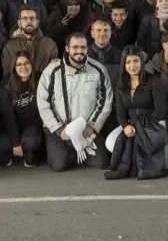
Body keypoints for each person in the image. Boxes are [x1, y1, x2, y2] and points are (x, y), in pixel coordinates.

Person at [36, 32, 114, 172]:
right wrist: (59, 129)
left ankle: (77, 148)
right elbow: (43, 103)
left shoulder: (98, 70)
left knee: (102, 162)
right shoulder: (51, 71)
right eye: (75, 47)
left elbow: (105, 102)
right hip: (59, 129)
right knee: (59, 165)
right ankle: (69, 150)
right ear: (67, 49)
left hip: (86, 129)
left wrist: (92, 125)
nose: (79, 51)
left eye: (83, 47)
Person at [103, 47, 168, 180]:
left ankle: (132, 168)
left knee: (139, 139)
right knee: (111, 142)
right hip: (131, 124)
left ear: (142, 62)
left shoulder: (153, 80)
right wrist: (126, 125)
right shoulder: (121, 85)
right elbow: (120, 113)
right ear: (123, 64)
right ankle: (130, 165)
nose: (132, 66)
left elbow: (160, 110)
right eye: (128, 62)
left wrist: (141, 128)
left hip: (153, 123)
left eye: (136, 61)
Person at [0, 51, 45, 167]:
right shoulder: (6, 86)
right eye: (19, 64)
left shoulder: (39, 80)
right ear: (14, 67)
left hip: (30, 126)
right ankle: (8, 154)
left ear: (32, 64)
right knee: (3, 144)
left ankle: (29, 154)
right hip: (10, 126)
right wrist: (16, 143)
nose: (24, 67)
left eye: (27, 63)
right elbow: (8, 117)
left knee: (32, 142)